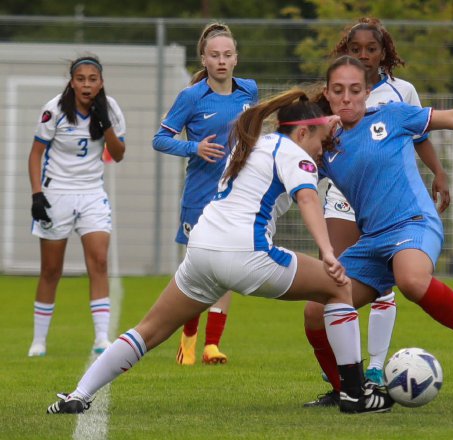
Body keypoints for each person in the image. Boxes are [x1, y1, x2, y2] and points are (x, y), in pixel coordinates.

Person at [47, 90, 393, 415]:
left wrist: (329, 124)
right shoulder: (292, 152)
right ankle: (355, 393)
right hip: (246, 254)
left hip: (201, 250)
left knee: (149, 330)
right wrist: (328, 254)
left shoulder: (254, 143)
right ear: (302, 133)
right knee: (338, 286)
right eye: (319, 141)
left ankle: (78, 394)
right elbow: (307, 198)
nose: (322, 150)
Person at [302, 55, 453, 407]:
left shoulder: (393, 116)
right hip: (373, 242)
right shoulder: (326, 145)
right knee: (314, 311)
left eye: (355, 90)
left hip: (414, 223)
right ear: (328, 93)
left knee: (412, 280)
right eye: (338, 91)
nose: (347, 98)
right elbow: (289, 168)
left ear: (369, 92)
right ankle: (348, 392)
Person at [305, 17, 452, 405]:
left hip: (386, 201)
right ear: (346, 52)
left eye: (372, 49)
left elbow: (420, 134)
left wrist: (437, 172)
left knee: (383, 281)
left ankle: (374, 365)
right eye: (357, 50)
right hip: (342, 194)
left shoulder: (402, 92)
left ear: (384, 53)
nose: (365, 55)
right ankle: (345, 379)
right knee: (337, 279)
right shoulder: (336, 92)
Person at [153, 22, 258, 365]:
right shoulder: (191, 97)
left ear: (237, 59)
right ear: (204, 58)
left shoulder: (249, 92)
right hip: (199, 196)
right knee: (196, 267)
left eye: (228, 55)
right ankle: (188, 340)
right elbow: (160, 138)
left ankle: (213, 344)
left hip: (235, 196)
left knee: (226, 265)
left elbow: (254, 133)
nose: (222, 61)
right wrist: (194, 147)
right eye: (215, 55)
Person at [27, 55, 126, 358]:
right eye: (80, 79)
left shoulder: (110, 108)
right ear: (72, 81)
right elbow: (35, 154)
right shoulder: (54, 108)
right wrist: (37, 195)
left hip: (92, 194)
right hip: (57, 193)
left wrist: (104, 122)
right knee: (51, 270)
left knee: (98, 263)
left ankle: (100, 339)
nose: (86, 84)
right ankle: (39, 341)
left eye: (92, 79)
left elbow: (118, 154)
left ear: (101, 82)